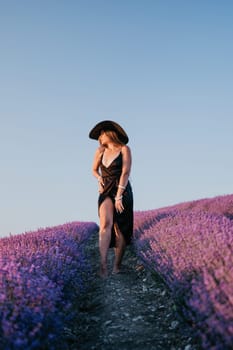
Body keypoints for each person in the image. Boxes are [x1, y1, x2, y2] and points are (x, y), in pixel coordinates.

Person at [89, 120, 133, 278]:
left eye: (102, 133)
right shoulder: (100, 151)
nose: (100, 137)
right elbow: (93, 170)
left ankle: (117, 266)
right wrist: (99, 178)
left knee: (120, 228)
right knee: (105, 224)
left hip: (122, 189)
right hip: (105, 190)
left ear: (110, 133)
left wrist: (120, 195)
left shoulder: (124, 149)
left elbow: (125, 172)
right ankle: (103, 265)